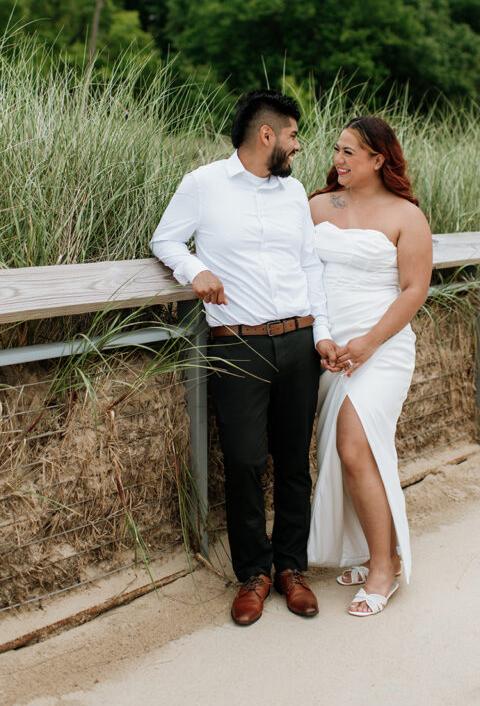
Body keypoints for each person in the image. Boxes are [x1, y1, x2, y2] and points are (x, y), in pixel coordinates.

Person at [150, 89, 339, 626]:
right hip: (237, 344)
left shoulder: (294, 191)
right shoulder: (203, 184)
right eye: (294, 135)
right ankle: (253, 574)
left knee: (293, 461)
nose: (299, 146)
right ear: (267, 135)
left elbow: (310, 269)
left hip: (299, 342)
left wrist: (321, 333)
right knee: (245, 460)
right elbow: (165, 240)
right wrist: (195, 272)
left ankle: (291, 569)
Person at [307, 115, 432, 616]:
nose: (337, 160)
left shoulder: (406, 215)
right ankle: (367, 550)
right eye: (337, 150)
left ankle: (385, 567)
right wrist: (325, 339)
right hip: (329, 348)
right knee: (346, 455)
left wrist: (369, 343)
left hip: (383, 345)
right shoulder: (315, 206)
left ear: (378, 160)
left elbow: (414, 290)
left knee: (354, 445)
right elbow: (304, 276)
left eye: (349, 153)